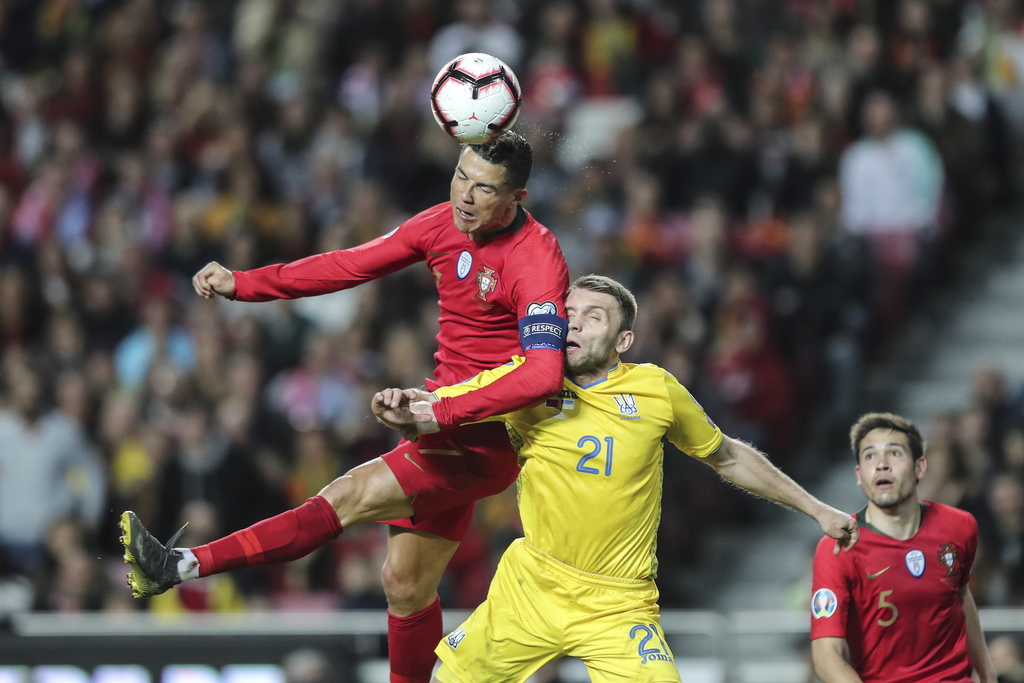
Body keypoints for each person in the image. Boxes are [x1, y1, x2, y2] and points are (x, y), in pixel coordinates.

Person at [120, 131, 570, 683]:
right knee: (405, 588)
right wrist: (245, 283)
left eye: (484, 188)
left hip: (483, 440)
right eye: (460, 176)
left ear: (517, 198)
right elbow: (348, 265)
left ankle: (179, 564)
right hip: (440, 424)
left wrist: (439, 412)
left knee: (348, 496)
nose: (465, 197)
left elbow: (544, 373)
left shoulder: (536, 259)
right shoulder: (441, 223)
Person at [374, 274, 860, 683]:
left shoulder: (655, 389)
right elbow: (445, 406)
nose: (575, 324)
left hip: (619, 603)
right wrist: (404, 409)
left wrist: (817, 508)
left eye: (594, 317)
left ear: (622, 341)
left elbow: (727, 455)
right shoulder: (522, 383)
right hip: (533, 588)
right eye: (570, 313)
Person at [809, 412, 997, 683]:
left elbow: (960, 594)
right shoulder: (838, 548)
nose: (882, 464)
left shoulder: (960, 526)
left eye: (894, 453)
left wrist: (988, 672)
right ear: (860, 475)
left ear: (920, 467)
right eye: (870, 456)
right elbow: (826, 656)